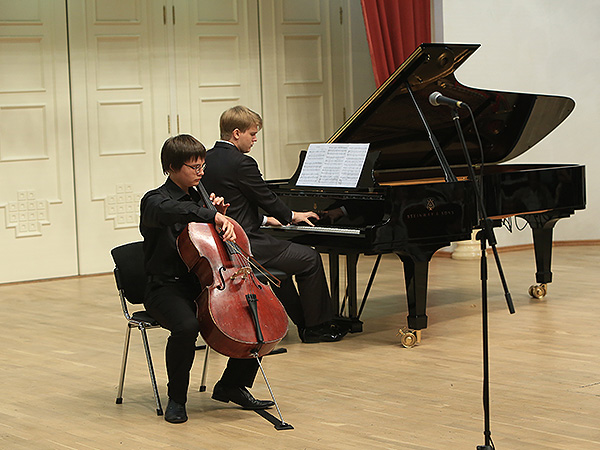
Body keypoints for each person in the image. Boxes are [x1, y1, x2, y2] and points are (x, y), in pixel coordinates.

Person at [140, 134, 274, 424]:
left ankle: (232, 385)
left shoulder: (201, 198)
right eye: (194, 167)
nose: (201, 173)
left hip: (204, 283)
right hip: (166, 288)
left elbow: (208, 249)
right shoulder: (154, 201)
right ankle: (177, 398)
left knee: (254, 315)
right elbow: (174, 211)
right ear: (172, 167)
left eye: (203, 166)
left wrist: (220, 217)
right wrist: (209, 215)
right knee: (186, 326)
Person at [201, 105, 346, 343]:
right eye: (252, 133)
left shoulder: (205, 159)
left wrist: (266, 219)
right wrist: (292, 215)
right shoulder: (242, 163)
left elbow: (234, 206)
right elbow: (266, 198)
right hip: (246, 244)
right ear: (236, 133)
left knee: (286, 267)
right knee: (309, 258)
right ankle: (317, 327)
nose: (255, 139)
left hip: (220, 243)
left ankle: (305, 323)